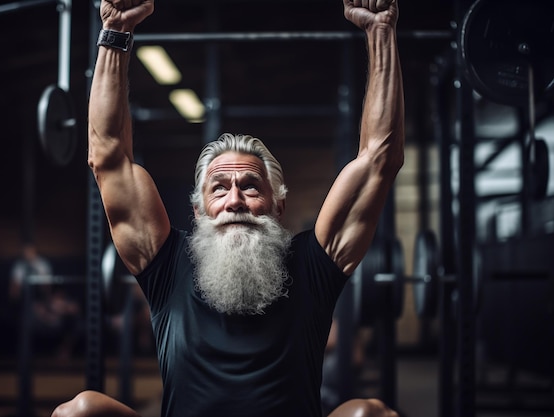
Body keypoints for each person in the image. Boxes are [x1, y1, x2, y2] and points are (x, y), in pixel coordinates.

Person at [53, 0, 404, 416]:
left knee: (370, 414)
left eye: (251, 186)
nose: (235, 199)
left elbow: (379, 158)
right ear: (200, 210)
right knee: (79, 411)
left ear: (278, 207)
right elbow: (108, 155)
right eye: (219, 189)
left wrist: (380, 30)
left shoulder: (313, 264)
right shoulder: (168, 266)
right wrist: (115, 32)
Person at [10, 243, 81, 360]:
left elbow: (47, 290)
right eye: (26, 251)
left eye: (31, 251)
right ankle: (25, 356)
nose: (29, 254)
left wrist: (53, 305)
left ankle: (64, 350)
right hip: (29, 305)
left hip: (46, 303)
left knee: (73, 313)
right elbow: (14, 294)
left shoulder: (42, 265)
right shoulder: (19, 267)